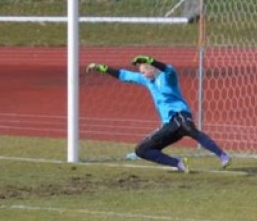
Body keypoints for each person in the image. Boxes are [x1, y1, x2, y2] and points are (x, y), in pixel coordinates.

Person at [86, 55, 231, 172]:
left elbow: (168, 69)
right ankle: (179, 163)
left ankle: (222, 155)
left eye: (143, 71)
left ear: (152, 69)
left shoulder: (166, 77)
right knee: (142, 150)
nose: (141, 74)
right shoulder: (146, 80)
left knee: (189, 129)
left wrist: (152, 60)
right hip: (169, 125)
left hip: (180, 115)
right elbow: (123, 75)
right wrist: (101, 68)